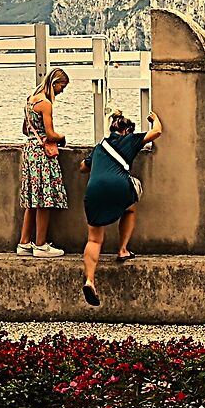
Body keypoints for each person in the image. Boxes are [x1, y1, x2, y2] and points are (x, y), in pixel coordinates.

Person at [79, 109, 163, 307]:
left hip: (94, 189)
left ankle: (90, 280)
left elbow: (83, 167)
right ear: (127, 130)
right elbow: (157, 132)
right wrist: (154, 119)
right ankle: (123, 249)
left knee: (94, 238)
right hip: (119, 187)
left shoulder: (100, 147)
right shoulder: (131, 139)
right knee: (130, 208)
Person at [17, 69, 70, 256]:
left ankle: (24, 243)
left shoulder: (30, 100)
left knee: (32, 199)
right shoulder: (46, 104)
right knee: (44, 200)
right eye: (61, 87)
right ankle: (40, 245)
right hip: (42, 154)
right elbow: (50, 134)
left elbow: (25, 129)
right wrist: (62, 137)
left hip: (30, 150)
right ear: (54, 83)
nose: (61, 91)